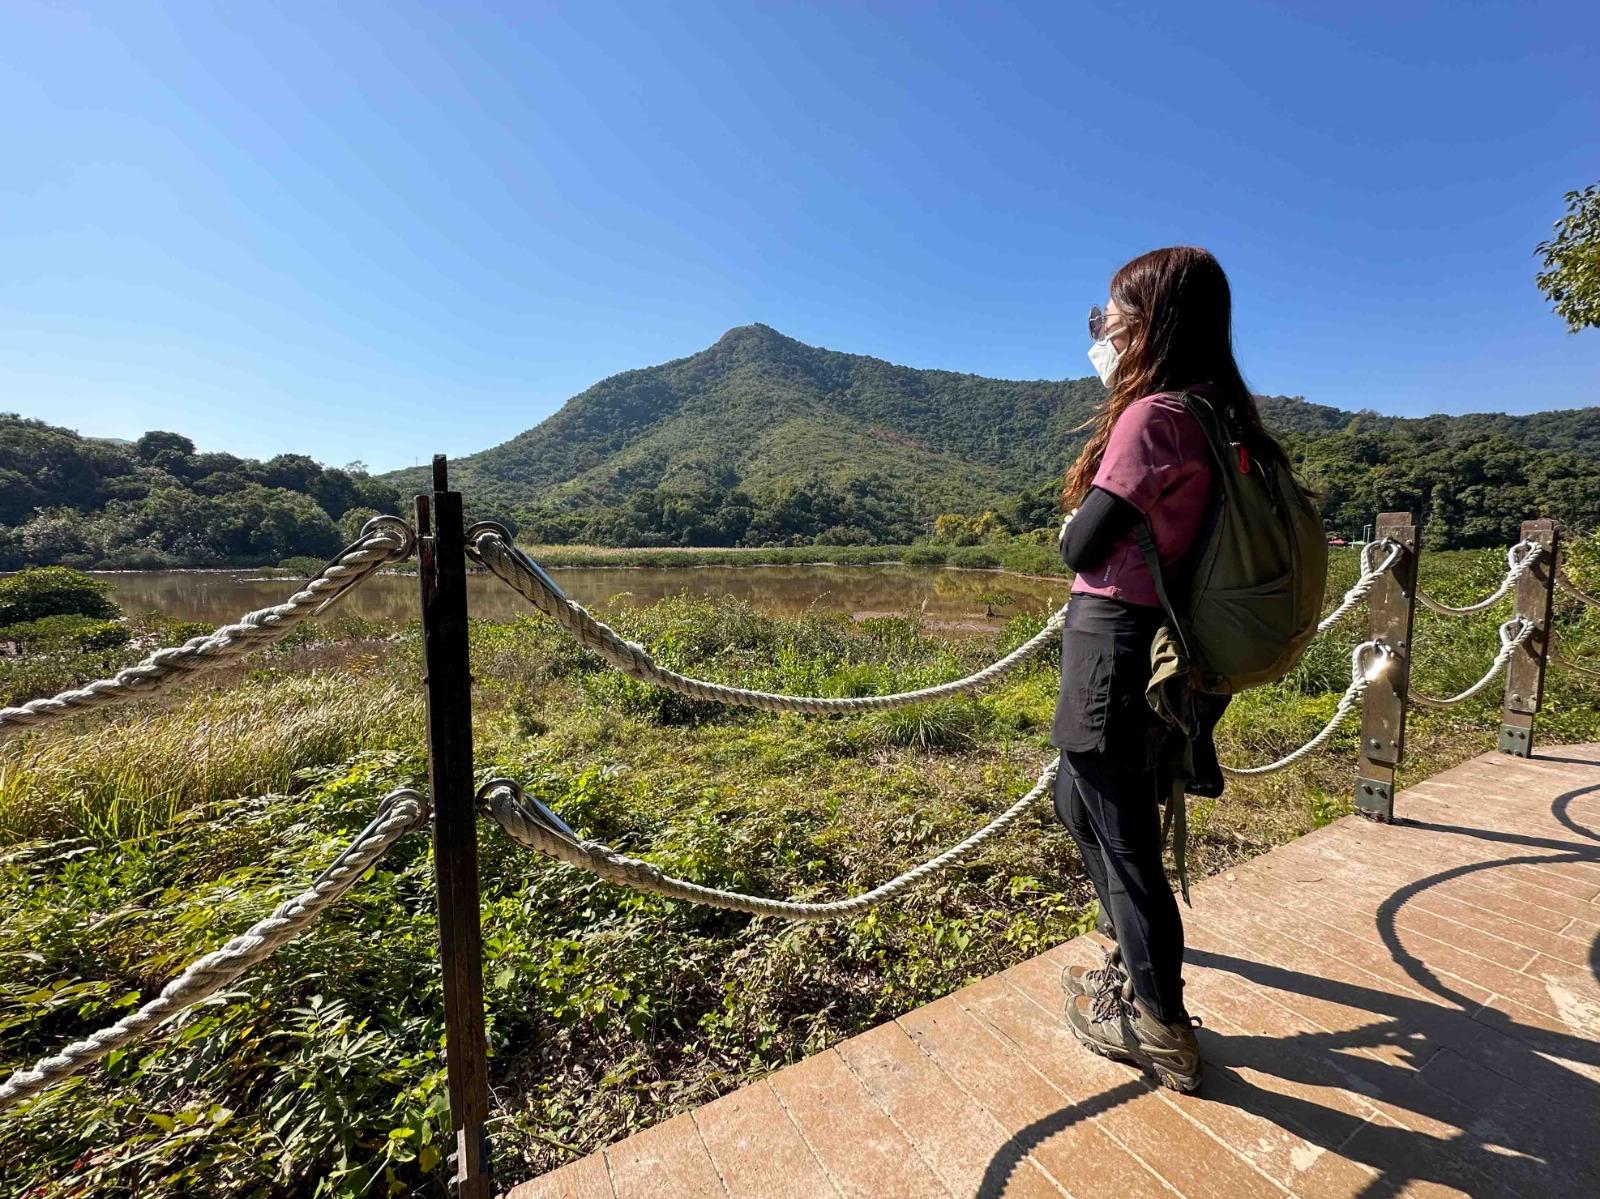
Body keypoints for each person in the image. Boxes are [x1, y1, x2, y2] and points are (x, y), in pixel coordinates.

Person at [1051, 246, 1288, 1093]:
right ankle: (1135, 969)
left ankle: (1160, 1025)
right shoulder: (1223, 418)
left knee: (1124, 842)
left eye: (1108, 314)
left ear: (1149, 321)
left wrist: (1073, 521)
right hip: (1171, 652)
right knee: (1080, 802)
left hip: (1117, 643)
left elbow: (1085, 542)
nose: (1102, 329)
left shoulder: (1155, 417)